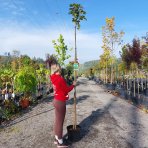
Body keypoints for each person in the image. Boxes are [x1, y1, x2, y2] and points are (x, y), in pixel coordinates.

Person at [50, 64, 76, 148]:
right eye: (60, 68)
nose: (61, 70)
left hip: (56, 100)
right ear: (58, 69)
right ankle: (60, 142)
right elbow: (66, 89)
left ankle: (56, 138)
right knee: (60, 122)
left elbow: (61, 88)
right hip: (60, 101)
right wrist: (73, 85)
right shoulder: (60, 79)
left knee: (57, 121)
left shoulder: (53, 77)